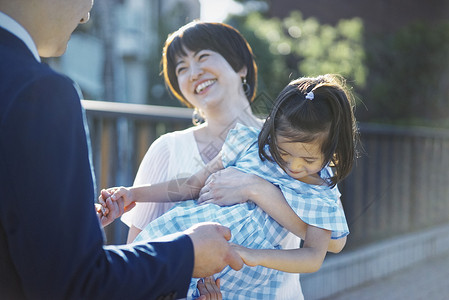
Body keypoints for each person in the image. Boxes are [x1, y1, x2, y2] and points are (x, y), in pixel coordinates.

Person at [0, 1, 243, 299]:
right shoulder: (37, 91)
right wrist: (188, 253)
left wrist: (77, 225)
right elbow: (76, 280)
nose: (87, 14)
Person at [120, 20, 346, 299]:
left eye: (203, 57)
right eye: (181, 68)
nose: (193, 72)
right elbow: (138, 261)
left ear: (241, 66)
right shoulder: (167, 148)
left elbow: (333, 242)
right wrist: (131, 194)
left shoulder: (299, 138)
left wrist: (256, 188)